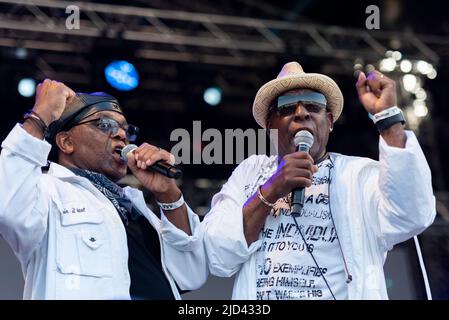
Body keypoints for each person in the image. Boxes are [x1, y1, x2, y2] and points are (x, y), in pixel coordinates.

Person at [203, 61, 436, 300]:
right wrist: (271, 189)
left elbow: (412, 214)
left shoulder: (358, 175)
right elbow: (217, 254)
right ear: (269, 125)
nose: (301, 112)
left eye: (314, 104)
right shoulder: (251, 173)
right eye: (286, 106)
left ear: (330, 121)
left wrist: (389, 121)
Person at [0, 79, 207, 299]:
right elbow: (9, 208)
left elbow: (192, 274)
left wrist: (168, 195)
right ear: (66, 142)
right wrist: (38, 118)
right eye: (105, 125)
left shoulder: (135, 207)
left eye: (126, 129)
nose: (121, 134)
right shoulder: (49, 191)